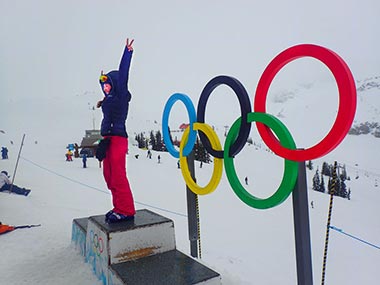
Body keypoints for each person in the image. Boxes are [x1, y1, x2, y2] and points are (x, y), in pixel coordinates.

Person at [96, 38, 136, 223]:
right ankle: (118, 206)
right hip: (108, 139)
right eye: (102, 85)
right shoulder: (109, 99)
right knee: (109, 176)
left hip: (118, 140)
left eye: (107, 84)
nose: (104, 88)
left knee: (118, 175)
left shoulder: (120, 95)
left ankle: (126, 210)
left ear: (115, 83)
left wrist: (127, 53)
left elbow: (124, 73)